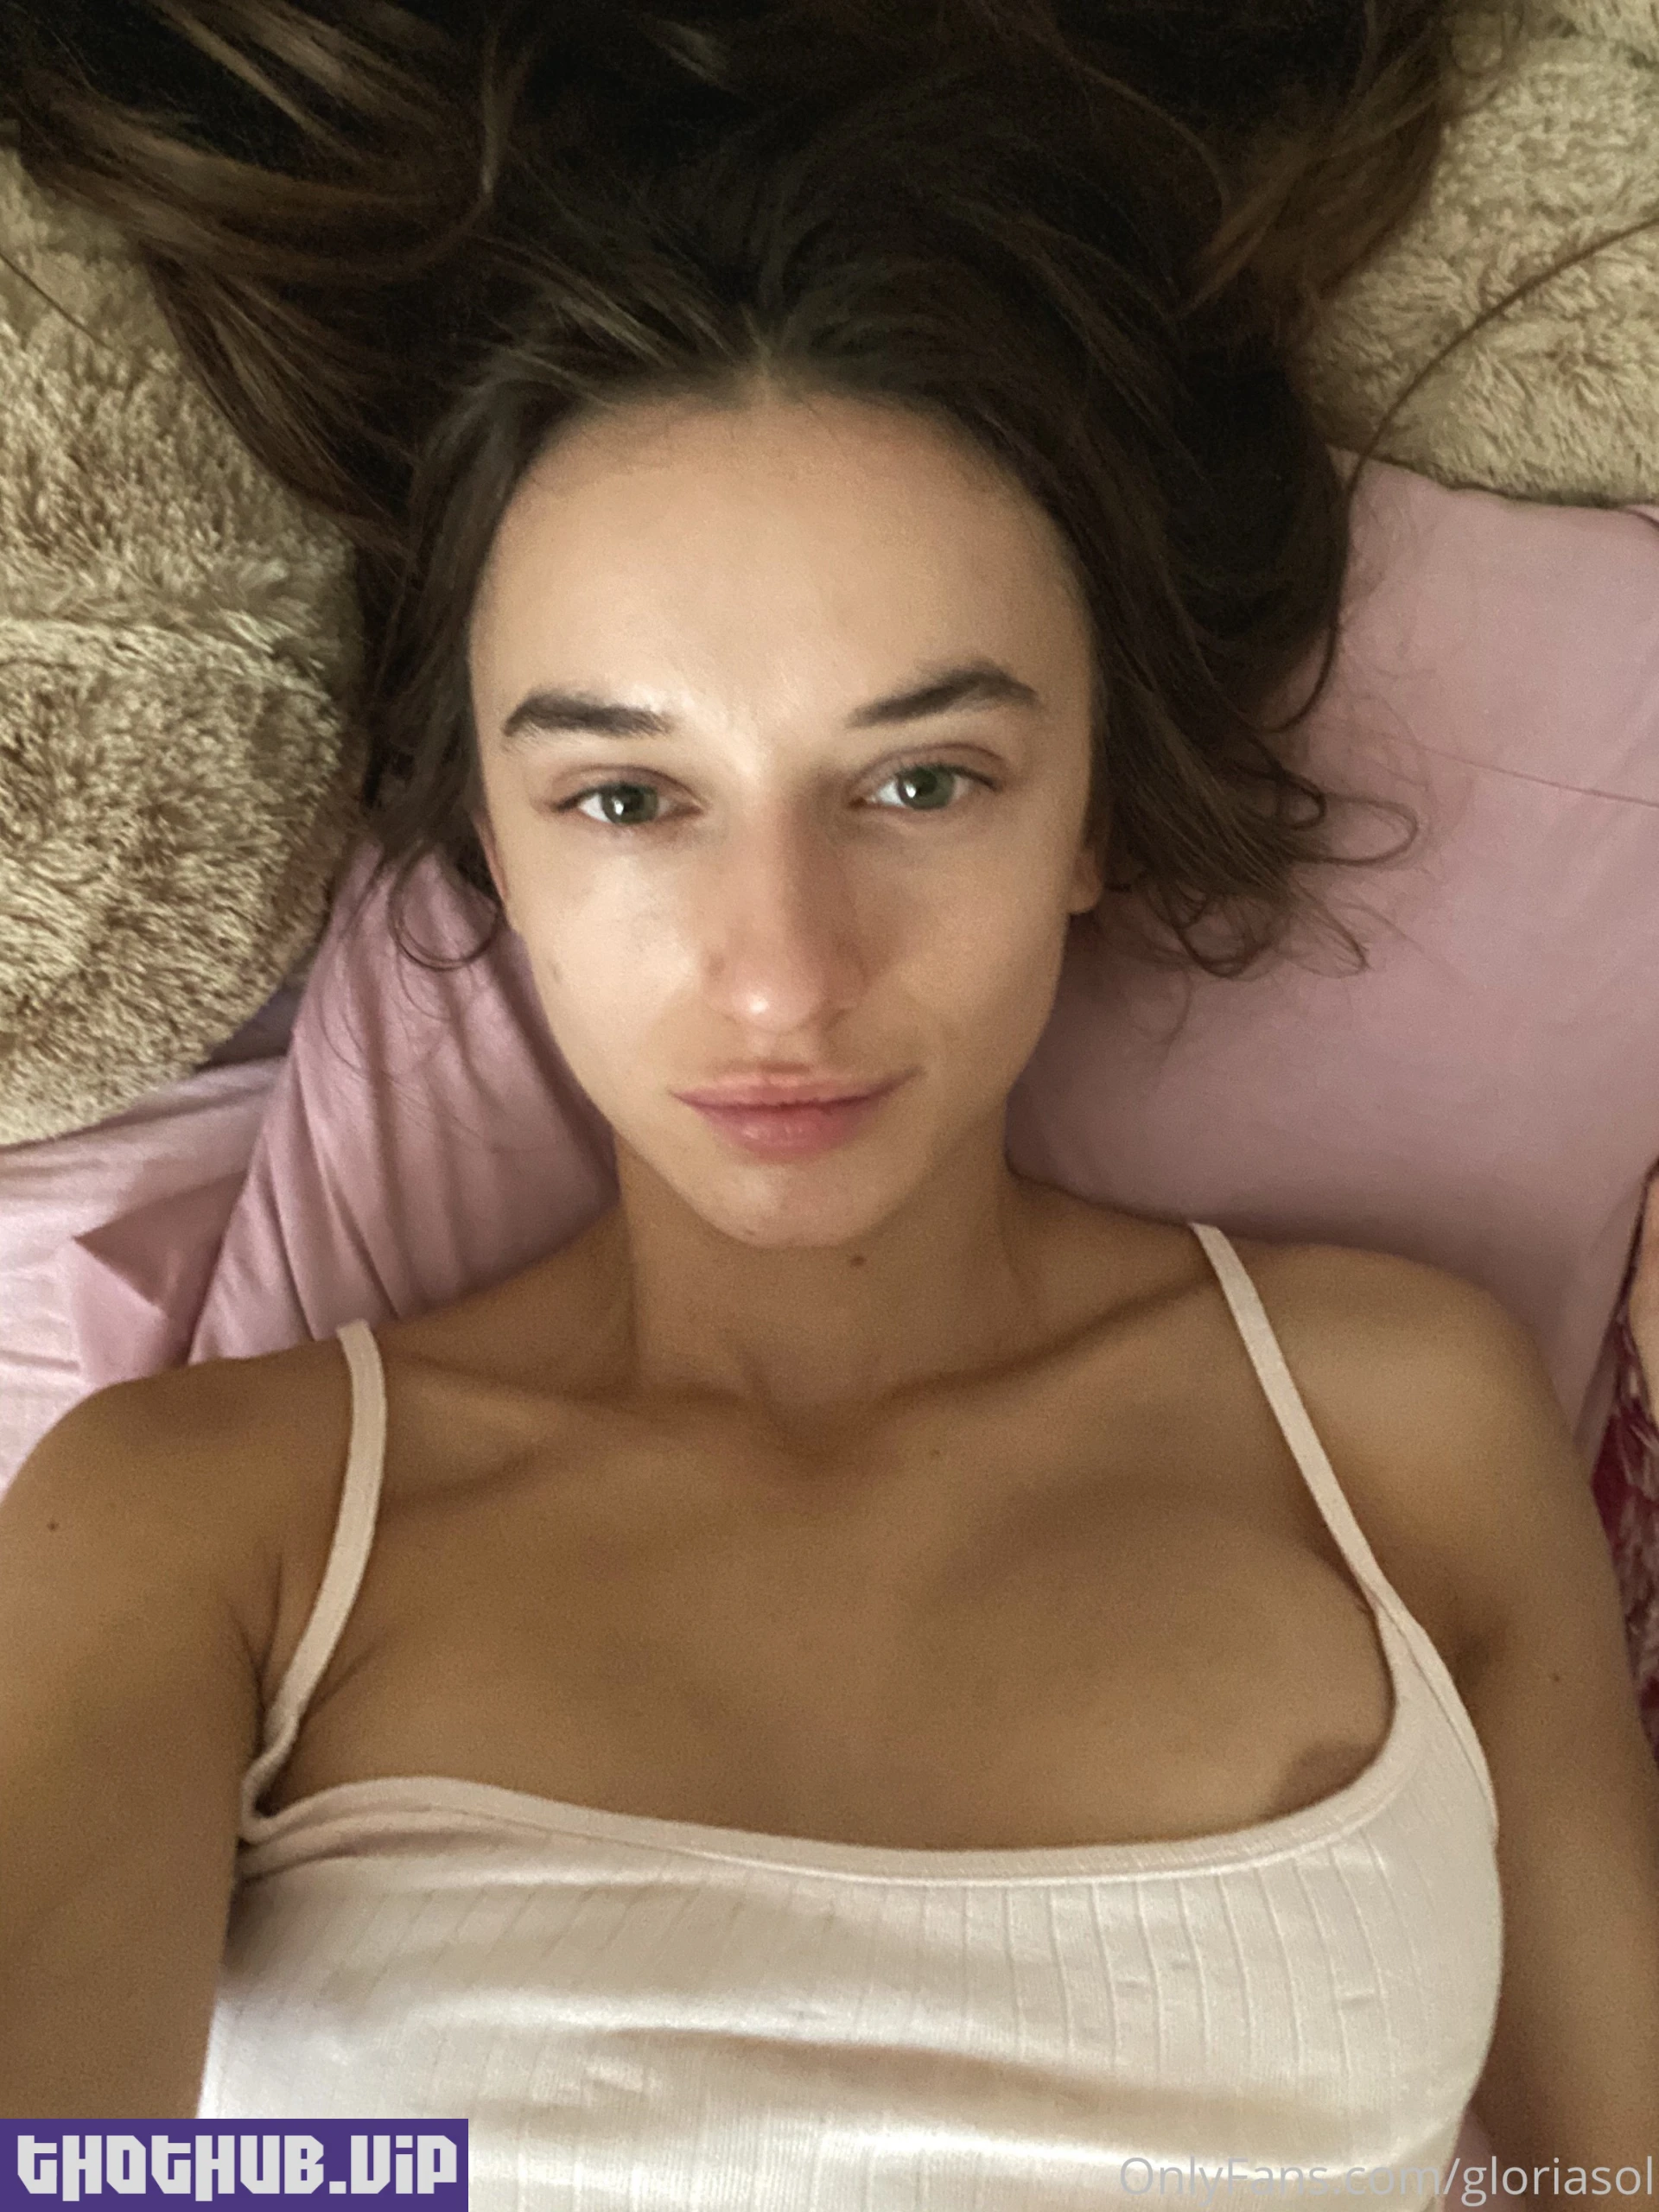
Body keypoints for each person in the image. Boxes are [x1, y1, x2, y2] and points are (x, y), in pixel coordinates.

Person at [2, 1, 1656, 2197]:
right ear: (488, 841)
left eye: (922, 779)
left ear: (1093, 814)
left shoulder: (1398, 1423)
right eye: (625, 796)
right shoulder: (202, 1528)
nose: (785, 968)